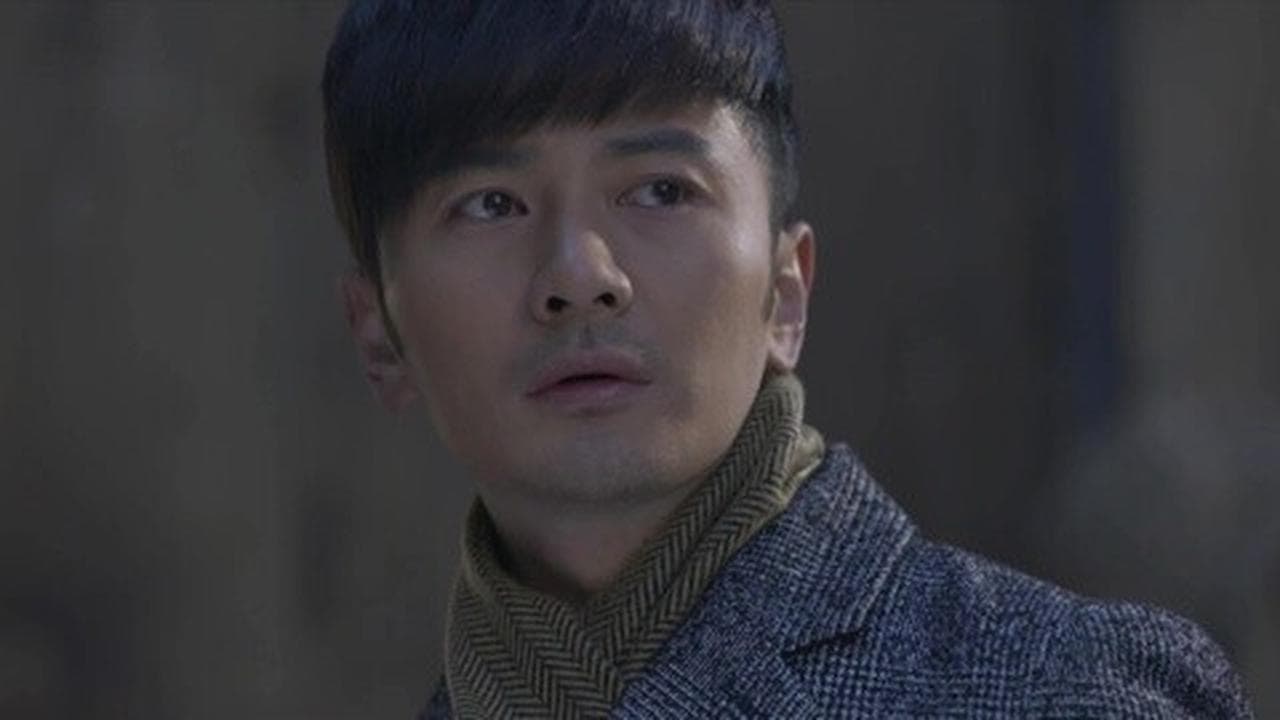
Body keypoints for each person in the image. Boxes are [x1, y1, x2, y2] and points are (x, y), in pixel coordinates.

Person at [321, 1, 1253, 717]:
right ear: (377, 333)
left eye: (660, 190)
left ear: (787, 292)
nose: (581, 277)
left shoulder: (1063, 693)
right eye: (490, 204)